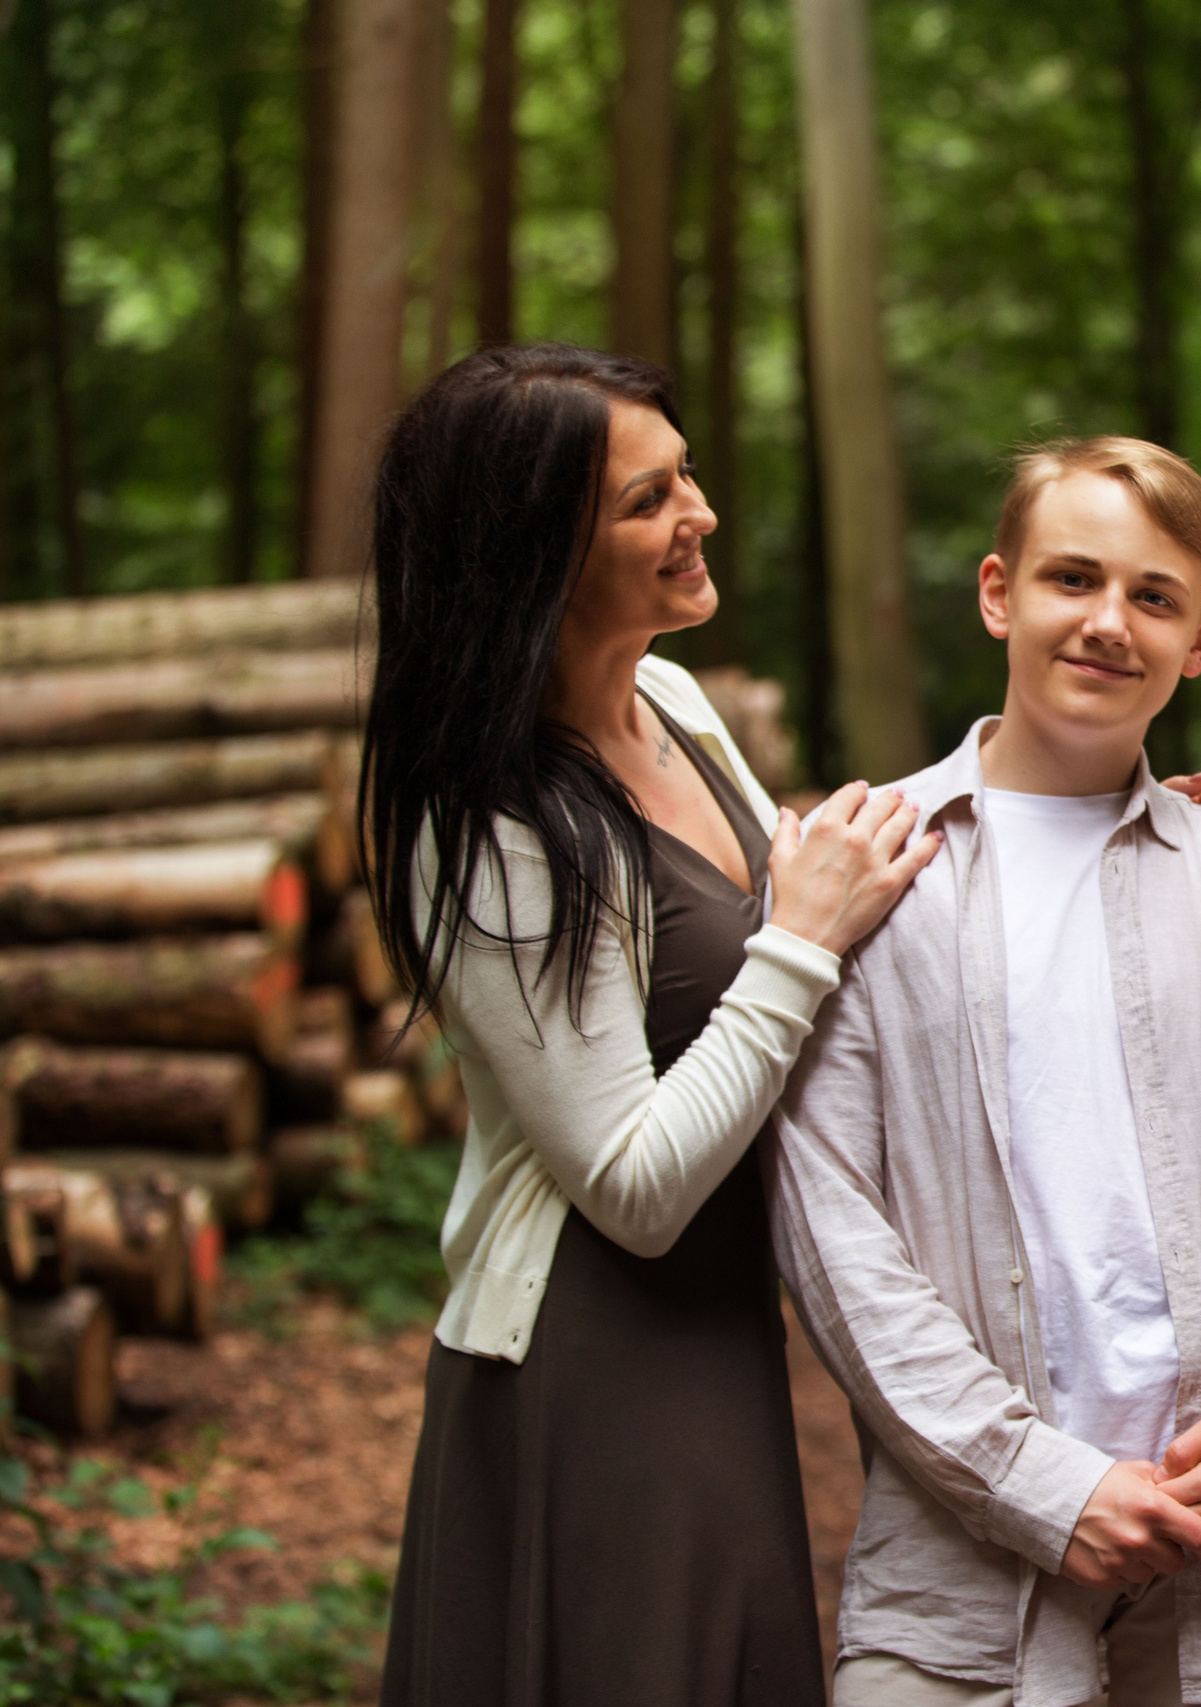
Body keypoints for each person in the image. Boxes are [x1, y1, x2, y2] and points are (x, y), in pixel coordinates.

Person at [369, 344, 939, 1706]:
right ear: (532, 556)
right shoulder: (490, 818)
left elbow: (831, 884)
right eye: (648, 499)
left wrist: (1115, 822)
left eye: (685, 475)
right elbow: (630, 1183)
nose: (702, 513)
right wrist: (800, 935)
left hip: (716, 1324)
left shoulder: (673, 704)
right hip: (593, 1354)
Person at [769, 437, 1201, 1707]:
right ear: (995, 592)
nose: (1106, 623)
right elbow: (831, 1232)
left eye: (1153, 597)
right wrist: (1040, 1484)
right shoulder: (863, 867)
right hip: (961, 1585)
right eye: (1072, 578)